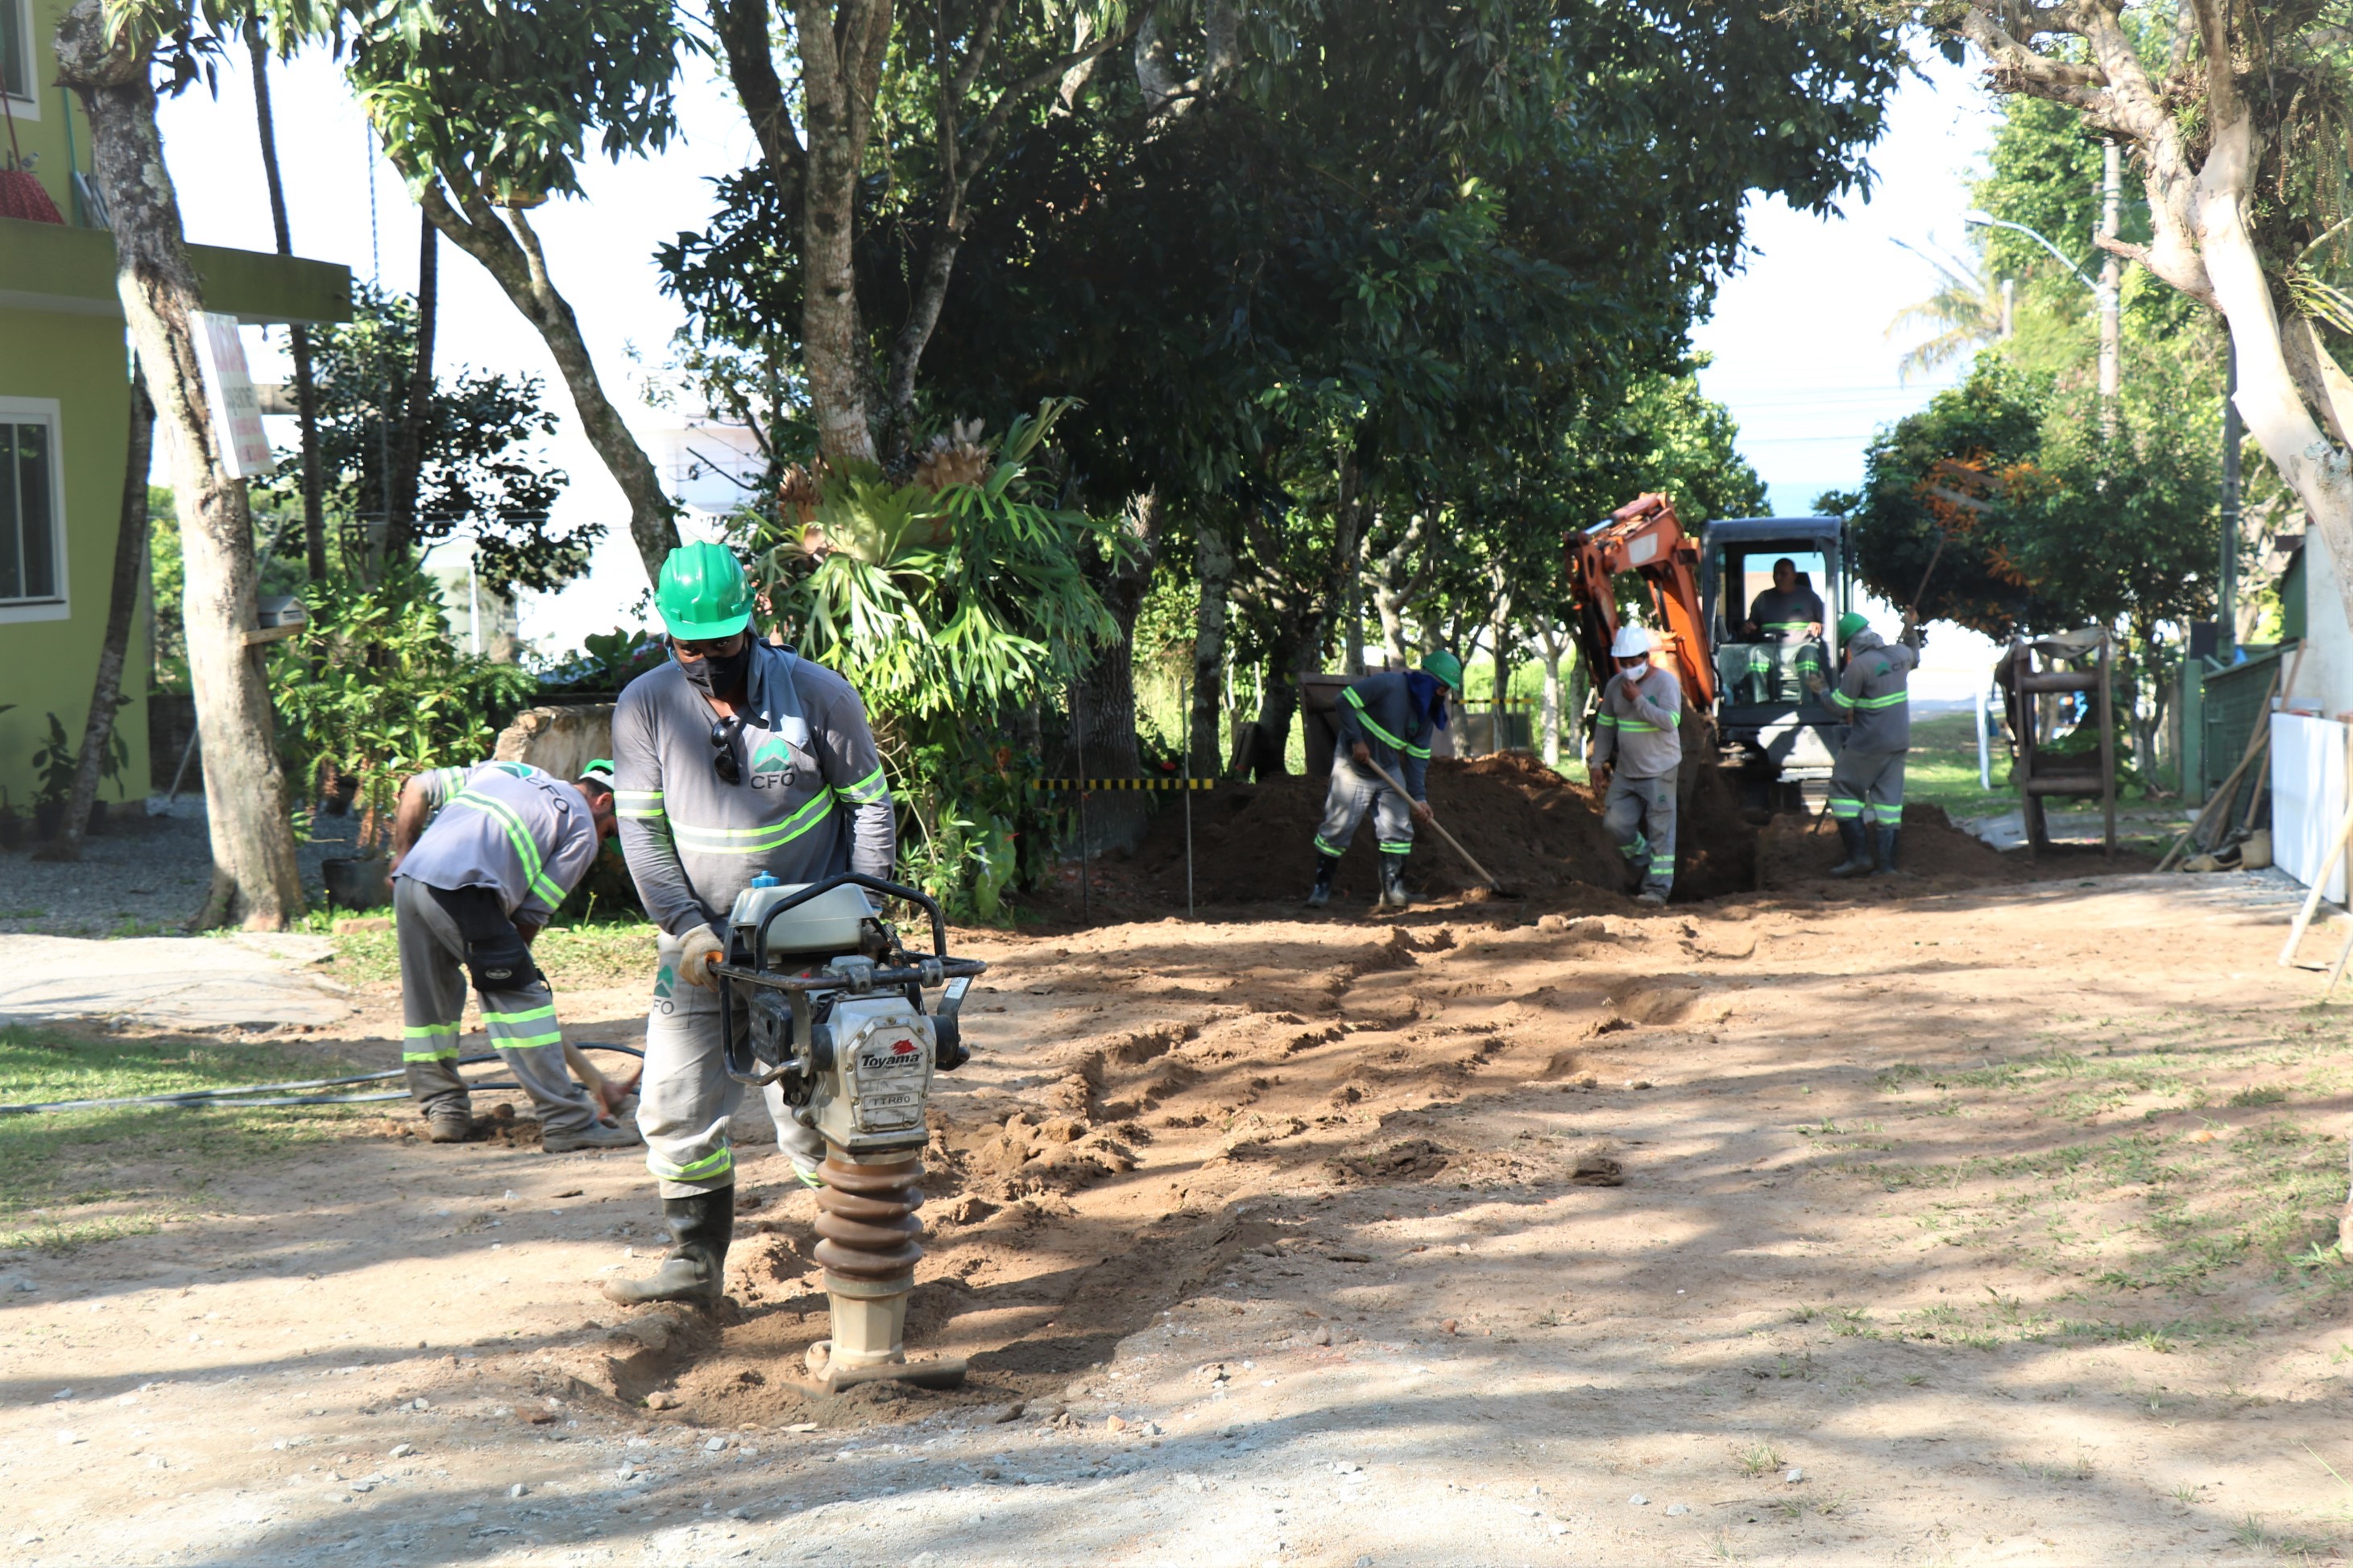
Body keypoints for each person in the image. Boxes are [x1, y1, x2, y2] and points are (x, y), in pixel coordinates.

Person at [605, 540, 895, 1308]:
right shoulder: (645, 704)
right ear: (668, 633)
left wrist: (861, 911)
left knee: (814, 1113)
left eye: (721, 643)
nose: (705, 660)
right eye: (688, 646)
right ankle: (693, 1265)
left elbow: (868, 804)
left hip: (811, 934)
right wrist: (686, 926)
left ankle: (859, 1256)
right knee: (673, 1101)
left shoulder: (817, 693)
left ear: (752, 622)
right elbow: (643, 833)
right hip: (699, 940)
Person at [387, 759, 641, 1152]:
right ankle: (568, 1121)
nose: (604, 840)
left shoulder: (510, 769)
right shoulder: (580, 830)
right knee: (525, 1006)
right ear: (603, 801)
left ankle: (446, 1112)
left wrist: (403, 854)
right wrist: (511, 973)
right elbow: (531, 916)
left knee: (429, 1004)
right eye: (610, 831)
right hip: (466, 891)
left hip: (411, 881)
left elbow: (417, 787)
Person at [1303, 651, 1464, 910]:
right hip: (1353, 766)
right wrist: (1357, 741)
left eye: (1446, 690)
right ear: (1433, 681)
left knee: (1399, 826)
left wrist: (1419, 797)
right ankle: (1321, 890)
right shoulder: (1388, 684)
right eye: (1443, 688)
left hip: (1387, 769)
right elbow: (1343, 701)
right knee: (1338, 827)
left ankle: (1394, 891)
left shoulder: (1426, 712)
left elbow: (1418, 757)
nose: (1443, 694)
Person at [1811, 610, 1916, 877]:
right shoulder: (1901, 654)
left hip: (1868, 744)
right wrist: (1911, 629)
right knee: (1889, 804)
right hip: (1898, 741)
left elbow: (1838, 707)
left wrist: (1821, 690)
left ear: (1850, 644)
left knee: (1843, 791)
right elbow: (1915, 654)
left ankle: (1859, 858)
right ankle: (1888, 867)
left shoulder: (1859, 666)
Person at [1592, 624, 1682, 906]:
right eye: (1624, 663)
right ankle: (1644, 861)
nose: (1629, 668)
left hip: (1661, 771)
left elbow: (1670, 721)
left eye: (1634, 662)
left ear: (1646, 657)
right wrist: (1597, 762)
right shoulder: (1614, 687)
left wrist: (1639, 701)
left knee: (1661, 833)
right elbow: (1605, 727)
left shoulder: (1665, 683)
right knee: (1615, 825)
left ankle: (1657, 891)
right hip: (1627, 773)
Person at [1742, 557, 1826, 701]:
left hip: (1801, 647)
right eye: (1776, 574)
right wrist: (1748, 627)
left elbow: (1829, 625)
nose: (1778, 577)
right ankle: (1760, 702)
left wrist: (1819, 625)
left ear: (1795, 575)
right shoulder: (1763, 598)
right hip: (1770, 649)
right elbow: (1750, 626)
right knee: (1754, 653)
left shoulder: (1810, 597)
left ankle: (1809, 702)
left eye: (1783, 573)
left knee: (1809, 653)